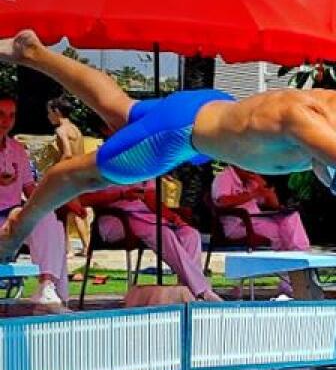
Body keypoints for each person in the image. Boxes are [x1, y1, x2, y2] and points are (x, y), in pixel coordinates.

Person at [0, 30, 336, 265]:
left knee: (121, 110)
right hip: (179, 137)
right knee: (71, 175)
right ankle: (12, 233)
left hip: (211, 106)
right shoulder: (305, 124)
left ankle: (34, 52)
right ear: (331, 168)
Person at [81, 180, 219, 301]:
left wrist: (174, 218)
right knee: (162, 233)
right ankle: (202, 290)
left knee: (190, 234)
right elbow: (85, 199)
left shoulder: (146, 165)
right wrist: (121, 195)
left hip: (146, 217)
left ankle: (188, 290)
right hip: (116, 220)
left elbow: (151, 199)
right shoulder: (105, 165)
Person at [0, 95, 68, 306]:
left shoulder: (18, 150)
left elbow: (30, 189)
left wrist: (57, 199)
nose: (6, 121)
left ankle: (47, 287)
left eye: (11, 115)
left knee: (48, 217)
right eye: (0, 115)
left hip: (11, 219)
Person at [211, 165, 311, 250]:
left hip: (257, 220)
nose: (253, 168)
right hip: (239, 225)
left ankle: (302, 254)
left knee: (292, 217)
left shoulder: (250, 179)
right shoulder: (224, 177)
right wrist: (253, 194)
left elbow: (274, 205)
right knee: (282, 232)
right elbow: (222, 202)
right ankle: (292, 266)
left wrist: (264, 186)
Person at [47, 95, 89, 256]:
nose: (48, 116)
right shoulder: (75, 129)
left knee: (65, 212)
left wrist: (55, 171)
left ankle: (72, 248)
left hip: (67, 176)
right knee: (75, 211)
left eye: (49, 112)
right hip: (80, 174)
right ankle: (80, 247)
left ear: (56, 111)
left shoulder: (60, 130)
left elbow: (68, 153)